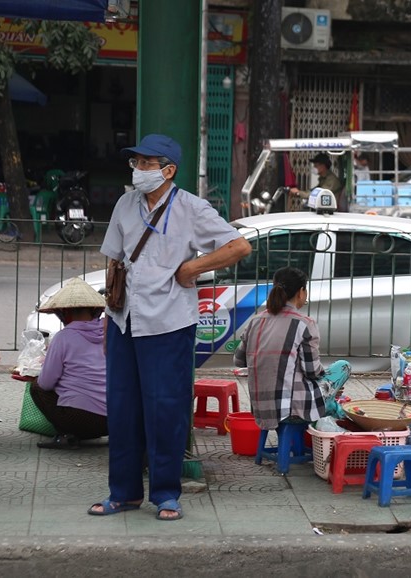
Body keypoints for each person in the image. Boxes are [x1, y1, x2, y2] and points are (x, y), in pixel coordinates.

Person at [90, 133, 251, 521]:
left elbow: (239, 246)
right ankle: (124, 493)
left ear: (168, 170)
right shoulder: (126, 204)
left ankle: (165, 493)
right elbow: (113, 259)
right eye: (136, 162)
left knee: (166, 409)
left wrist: (193, 267)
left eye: (146, 163)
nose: (138, 170)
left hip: (170, 323)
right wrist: (107, 320)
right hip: (124, 321)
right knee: (123, 408)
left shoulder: (192, 209)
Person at [233, 266, 350, 431]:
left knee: (325, 391)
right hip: (292, 410)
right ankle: (334, 411)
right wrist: (326, 381)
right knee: (343, 367)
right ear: (301, 292)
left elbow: (238, 360)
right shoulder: (304, 323)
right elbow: (312, 371)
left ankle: (331, 407)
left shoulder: (256, 321)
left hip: (260, 409)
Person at [31, 277, 108, 450]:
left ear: (64, 313)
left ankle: (68, 435)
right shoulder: (110, 331)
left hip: (80, 421)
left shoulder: (64, 337)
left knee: (36, 387)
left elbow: (46, 382)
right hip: (117, 419)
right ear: (96, 311)